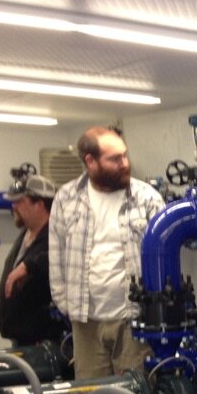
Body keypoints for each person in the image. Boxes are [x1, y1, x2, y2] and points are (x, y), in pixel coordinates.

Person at [49, 126, 165, 379]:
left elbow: (165, 256)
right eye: (115, 159)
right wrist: (65, 303)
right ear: (90, 161)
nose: (124, 164)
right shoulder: (66, 199)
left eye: (125, 155)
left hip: (133, 321)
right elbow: (56, 255)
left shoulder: (146, 198)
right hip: (86, 321)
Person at [0, 174, 66, 345]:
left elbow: (55, 259)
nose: (14, 206)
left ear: (39, 204)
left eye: (20, 201)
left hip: (44, 342)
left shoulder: (57, 236)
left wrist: (28, 266)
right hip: (20, 338)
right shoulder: (25, 234)